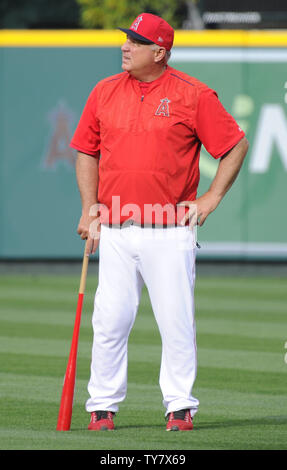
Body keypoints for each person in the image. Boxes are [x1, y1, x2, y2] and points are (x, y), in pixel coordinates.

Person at [70, 12, 249, 432]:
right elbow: (86, 150)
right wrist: (88, 207)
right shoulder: (105, 91)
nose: (125, 46)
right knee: (110, 320)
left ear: (160, 52)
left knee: (175, 320)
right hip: (114, 227)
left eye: (135, 41)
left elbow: (235, 144)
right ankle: (101, 407)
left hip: (168, 228)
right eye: (126, 39)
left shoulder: (192, 94)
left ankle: (180, 407)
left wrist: (212, 196)